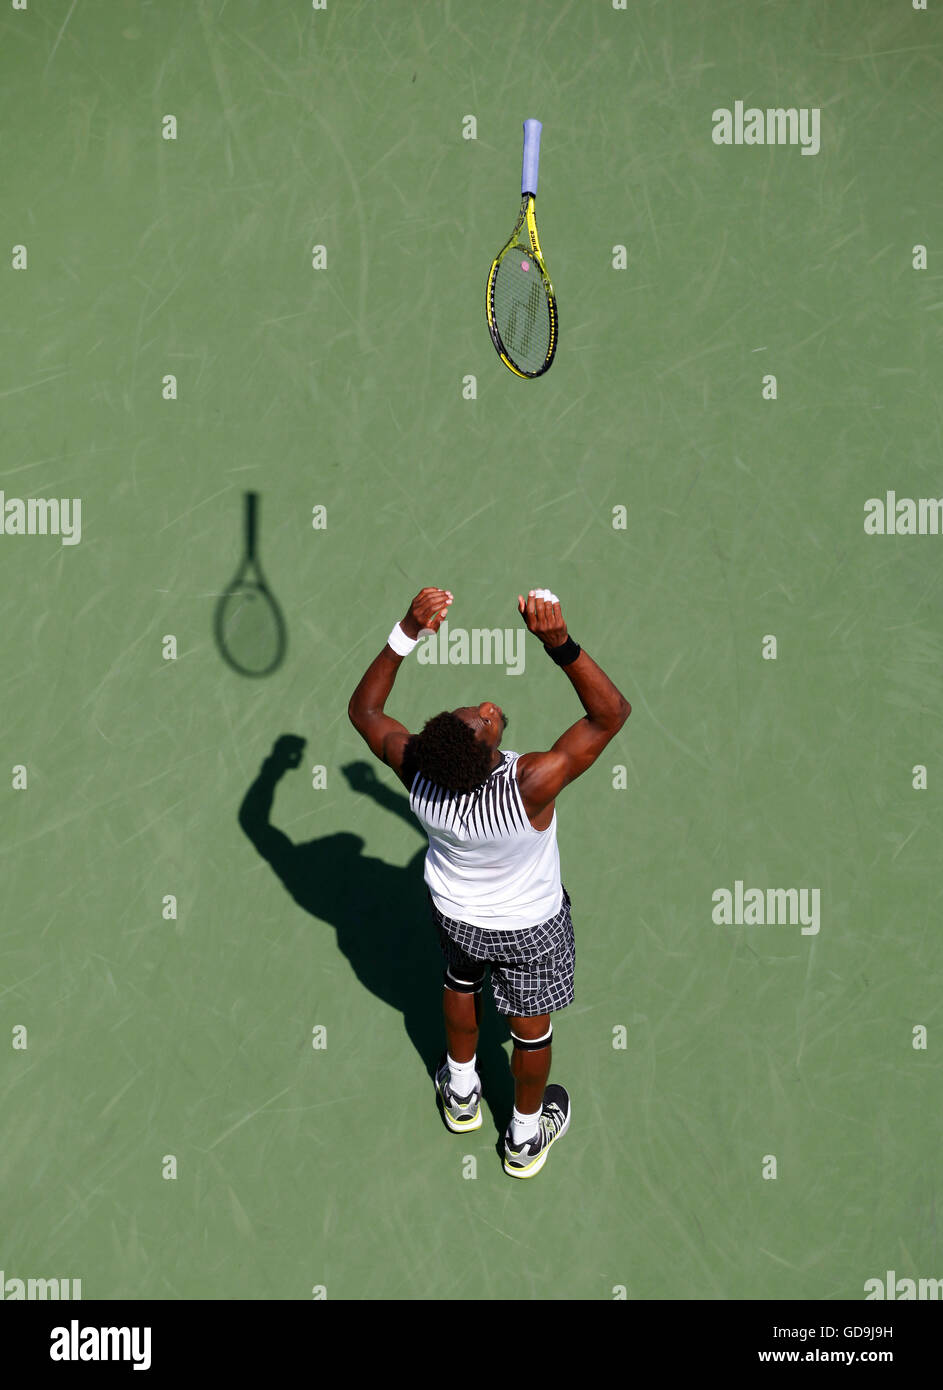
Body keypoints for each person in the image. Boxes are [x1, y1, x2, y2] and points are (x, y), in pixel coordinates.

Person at [348, 587, 630, 1177]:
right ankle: (525, 1137)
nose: (486, 707)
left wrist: (406, 629)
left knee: (460, 982)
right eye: (483, 722)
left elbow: (366, 713)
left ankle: (459, 1091)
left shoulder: (417, 771)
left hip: (457, 917)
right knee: (530, 1031)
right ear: (490, 753)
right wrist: (559, 644)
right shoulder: (530, 783)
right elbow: (611, 714)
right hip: (531, 929)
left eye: (474, 713)